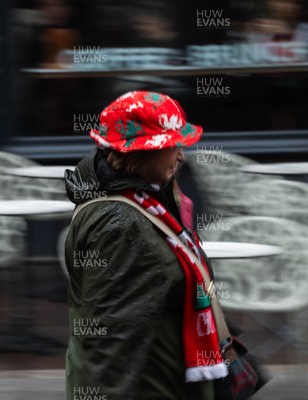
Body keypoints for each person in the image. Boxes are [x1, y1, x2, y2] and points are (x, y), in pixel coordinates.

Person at [64, 91, 226, 400]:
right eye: (172, 146)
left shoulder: (143, 195)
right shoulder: (121, 225)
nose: (181, 156)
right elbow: (110, 348)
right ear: (141, 153)